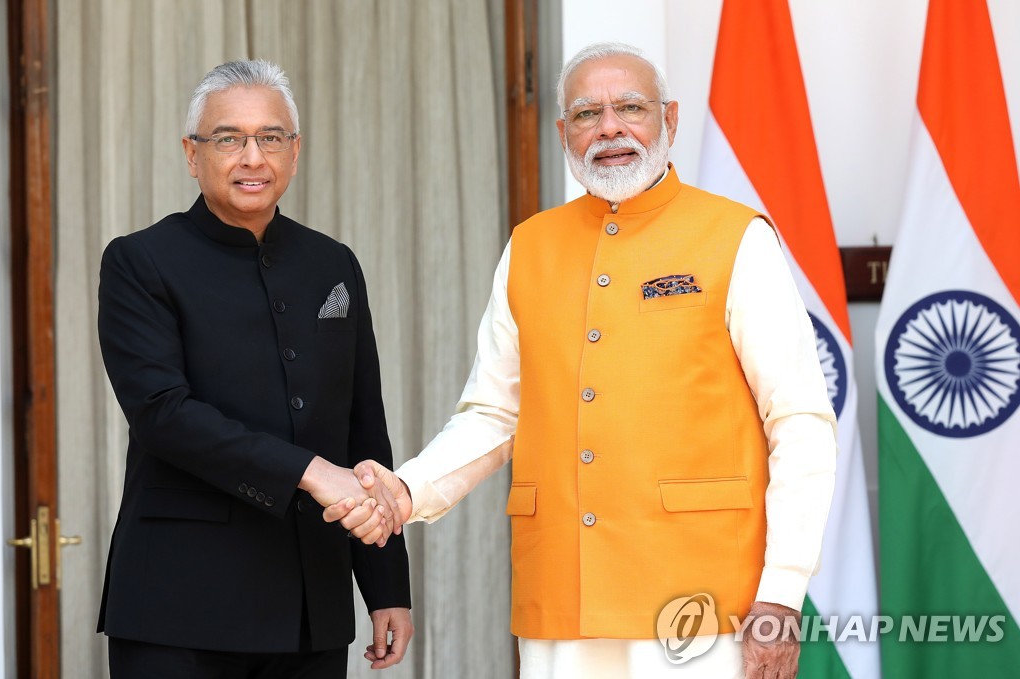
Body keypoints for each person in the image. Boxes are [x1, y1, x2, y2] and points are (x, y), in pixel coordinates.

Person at [334, 42, 837, 678]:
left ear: (670, 119)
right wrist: (408, 492)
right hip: (561, 600)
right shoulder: (531, 246)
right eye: (586, 114)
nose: (610, 129)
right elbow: (494, 413)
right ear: (562, 132)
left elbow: (800, 423)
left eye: (631, 108)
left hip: (703, 604)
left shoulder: (737, 238)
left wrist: (783, 592)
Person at [96, 59, 412, 678]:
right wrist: (312, 472)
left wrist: (386, 585)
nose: (252, 158)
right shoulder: (139, 262)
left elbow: (363, 430)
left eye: (271, 138)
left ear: (294, 154)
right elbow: (165, 414)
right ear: (193, 154)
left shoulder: (334, 264)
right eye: (228, 138)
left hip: (307, 604)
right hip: (178, 606)